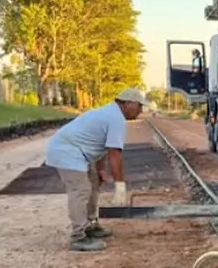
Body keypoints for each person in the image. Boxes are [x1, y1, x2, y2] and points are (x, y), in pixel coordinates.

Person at [45, 88, 150, 253]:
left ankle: (91, 225)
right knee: (80, 190)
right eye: (139, 106)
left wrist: (100, 170)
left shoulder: (112, 114)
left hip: (78, 151)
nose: (141, 110)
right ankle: (78, 237)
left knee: (93, 184)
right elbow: (114, 155)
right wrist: (120, 187)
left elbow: (101, 145)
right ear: (127, 103)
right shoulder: (115, 118)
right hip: (67, 151)